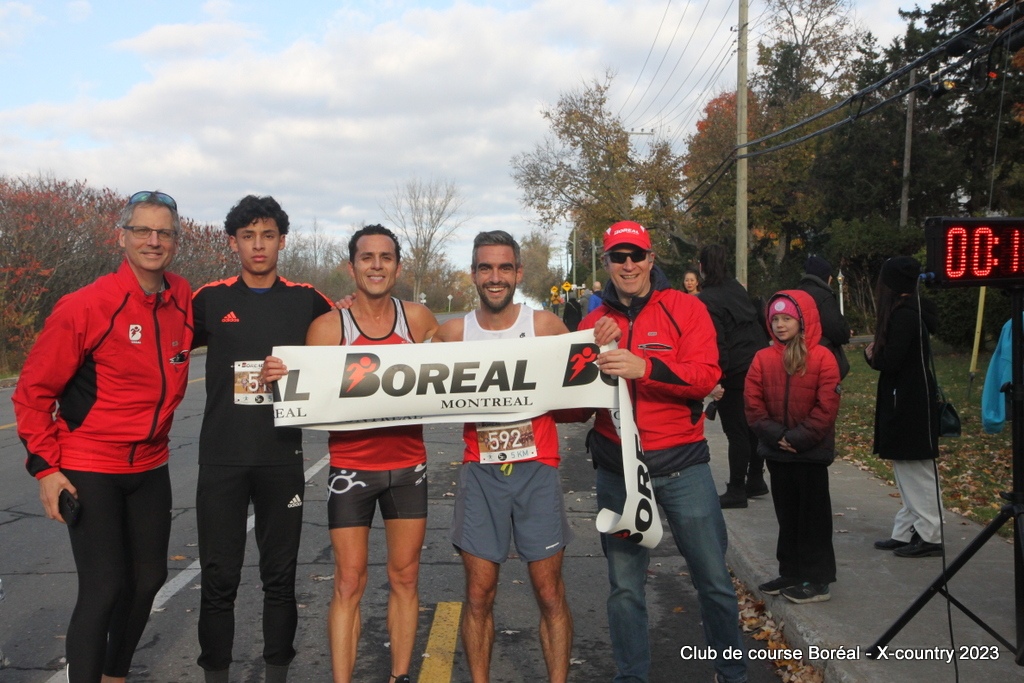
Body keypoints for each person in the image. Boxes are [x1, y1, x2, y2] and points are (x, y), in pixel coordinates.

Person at [12, 190, 193, 683]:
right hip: (91, 466)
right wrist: (47, 470)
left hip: (151, 467)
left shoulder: (182, 298)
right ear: (122, 236)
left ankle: (115, 675)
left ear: (176, 240)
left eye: (164, 232)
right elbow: (31, 395)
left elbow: (247, 311)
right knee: (104, 588)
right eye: (143, 230)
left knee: (149, 579)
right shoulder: (87, 305)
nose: (153, 241)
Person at [580, 221, 747, 683]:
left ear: (652, 260)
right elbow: (574, 403)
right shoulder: (592, 322)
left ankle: (732, 675)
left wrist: (644, 366)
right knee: (625, 590)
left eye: (637, 256)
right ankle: (631, 677)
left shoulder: (685, 309)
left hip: (682, 468)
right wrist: (588, 351)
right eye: (619, 257)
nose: (628, 265)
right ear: (608, 264)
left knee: (714, 583)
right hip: (618, 472)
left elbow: (706, 376)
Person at [191, 195, 334, 683]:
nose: (258, 245)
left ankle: (277, 675)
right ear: (233, 242)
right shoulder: (209, 299)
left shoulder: (307, 299)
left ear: (281, 241)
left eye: (267, 235)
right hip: (222, 459)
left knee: (280, 579)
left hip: (280, 457)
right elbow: (158, 351)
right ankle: (216, 675)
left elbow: (351, 349)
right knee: (219, 580)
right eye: (248, 236)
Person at [295, 224, 437, 683]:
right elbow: (304, 389)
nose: (376, 265)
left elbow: (467, 353)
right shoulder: (328, 326)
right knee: (348, 583)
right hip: (352, 470)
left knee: (406, 579)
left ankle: (399, 676)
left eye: (385, 257)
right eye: (367, 257)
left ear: (398, 265)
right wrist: (276, 375)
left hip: (408, 468)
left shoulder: (417, 319)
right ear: (351, 265)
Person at [434, 230, 574, 683]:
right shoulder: (453, 333)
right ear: (474, 273)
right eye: (486, 268)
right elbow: (395, 363)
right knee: (478, 595)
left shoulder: (546, 325)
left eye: (504, 268)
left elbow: (583, 383)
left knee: (550, 593)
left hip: (537, 469)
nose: (495, 277)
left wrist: (604, 339)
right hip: (481, 472)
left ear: (518, 272)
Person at [745, 291, 841, 604]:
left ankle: (818, 578)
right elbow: (753, 404)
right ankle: (791, 570)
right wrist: (778, 437)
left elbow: (826, 406)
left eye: (787, 318)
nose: (780, 324)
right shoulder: (763, 358)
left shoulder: (824, 357)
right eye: (775, 319)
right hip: (777, 452)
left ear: (802, 321)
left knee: (813, 516)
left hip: (810, 452)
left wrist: (797, 438)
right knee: (787, 514)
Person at [866, 256, 945, 558]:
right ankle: (908, 529)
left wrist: (872, 355)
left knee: (916, 469)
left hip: (908, 402)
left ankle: (930, 533)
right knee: (907, 468)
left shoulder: (904, 316)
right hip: (910, 399)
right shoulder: (912, 312)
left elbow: (891, 361)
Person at [698, 244, 769, 508]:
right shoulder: (736, 289)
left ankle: (736, 488)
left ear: (702, 267)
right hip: (758, 362)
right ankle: (755, 478)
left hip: (736, 369)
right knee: (753, 427)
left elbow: (718, 341)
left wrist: (717, 377)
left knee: (736, 431)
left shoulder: (707, 299)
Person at [796, 255, 851, 379]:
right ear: (825, 276)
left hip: (798, 354)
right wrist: (846, 332)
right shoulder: (823, 296)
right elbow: (835, 328)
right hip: (822, 356)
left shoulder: (797, 293)